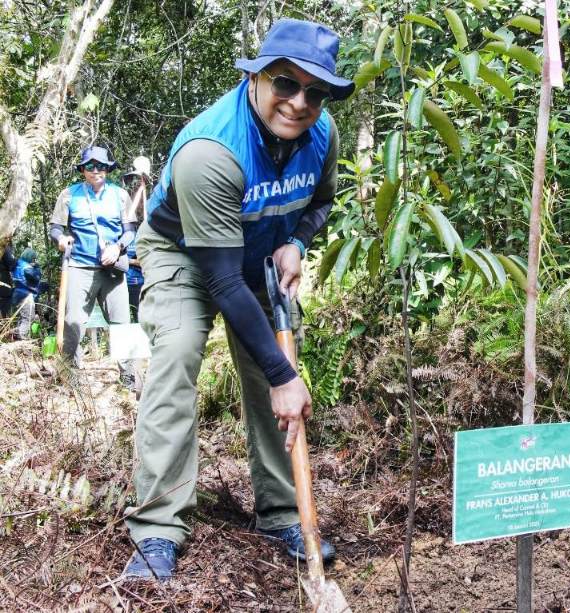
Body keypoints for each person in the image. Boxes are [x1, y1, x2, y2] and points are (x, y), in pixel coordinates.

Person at [122, 18, 354, 580]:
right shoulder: (211, 151)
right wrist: (283, 376)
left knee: (272, 364)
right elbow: (223, 283)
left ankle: (281, 513)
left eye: (315, 92)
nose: (299, 103)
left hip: (259, 252)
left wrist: (297, 241)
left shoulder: (321, 138)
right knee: (179, 354)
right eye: (285, 84)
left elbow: (319, 203)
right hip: (186, 254)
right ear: (255, 78)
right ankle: (157, 529)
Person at [49, 145, 137, 388]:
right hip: (79, 266)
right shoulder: (68, 195)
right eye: (90, 166)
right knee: (74, 321)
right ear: (82, 170)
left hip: (112, 269)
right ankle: (70, 373)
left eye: (100, 165)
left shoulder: (120, 195)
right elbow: (55, 227)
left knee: (122, 323)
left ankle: (129, 375)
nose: (95, 170)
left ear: (108, 169)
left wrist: (117, 247)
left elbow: (130, 231)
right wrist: (60, 238)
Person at [122, 156, 151, 322]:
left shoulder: (146, 228)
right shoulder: (126, 228)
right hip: (125, 281)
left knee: (142, 317)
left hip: (142, 281)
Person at [10, 247, 43, 339]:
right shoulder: (27, 267)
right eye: (33, 259)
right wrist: (36, 267)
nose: (34, 260)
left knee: (23, 318)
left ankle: (15, 335)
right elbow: (36, 277)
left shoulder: (17, 264)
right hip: (26, 296)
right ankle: (22, 337)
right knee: (29, 318)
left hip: (17, 295)